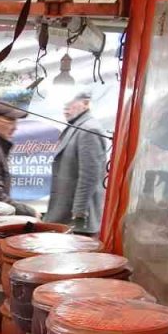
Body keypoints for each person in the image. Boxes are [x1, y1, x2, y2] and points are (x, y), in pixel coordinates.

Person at [45, 91, 108, 235]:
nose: (65, 109)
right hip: (65, 215)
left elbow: (89, 176)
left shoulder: (89, 130)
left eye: (69, 104)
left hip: (77, 221)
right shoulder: (76, 127)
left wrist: (79, 214)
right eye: (64, 105)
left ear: (85, 103)